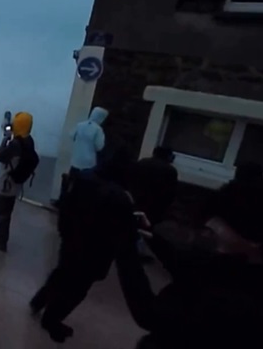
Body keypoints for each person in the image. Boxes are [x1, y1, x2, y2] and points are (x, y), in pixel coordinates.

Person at [116, 201, 263, 349]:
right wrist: (152, 237)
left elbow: (150, 315)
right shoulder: (240, 266)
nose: (210, 225)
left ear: (254, 239)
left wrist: (125, 251)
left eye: (224, 222)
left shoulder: (237, 301)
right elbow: (190, 269)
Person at [30, 143, 134, 343]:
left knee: (61, 273)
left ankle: (38, 301)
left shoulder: (84, 178)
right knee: (76, 290)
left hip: (71, 239)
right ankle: (52, 319)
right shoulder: (119, 197)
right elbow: (121, 231)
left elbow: (65, 205)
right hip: (94, 253)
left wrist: (64, 231)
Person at [0, 112, 39, 253]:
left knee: (3, 213)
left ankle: (1, 241)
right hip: (16, 182)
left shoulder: (15, 143)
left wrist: (5, 138)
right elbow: (13, 154)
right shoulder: (28, 140)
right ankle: (2, 238)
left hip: (7, 183)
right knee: (7, 211)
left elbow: (2, 157)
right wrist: (1, 147)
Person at [52, 106, 108, 207]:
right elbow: (99, 146)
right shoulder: (98, 130)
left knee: (69, 182)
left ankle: (63, 202)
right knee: (83, 185)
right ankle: (76, 205)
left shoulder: (80, 125)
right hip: (89, 163)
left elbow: (71, 135)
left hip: (76, 159)